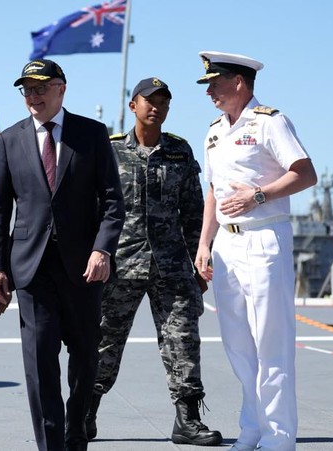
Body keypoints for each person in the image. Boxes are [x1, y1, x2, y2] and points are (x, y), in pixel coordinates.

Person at [0, 59, 125, 451]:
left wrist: (103, 249)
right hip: (32, 269)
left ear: (61, 89)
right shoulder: (9, 140)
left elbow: (114, 201)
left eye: (40, 88)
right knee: (39, 358)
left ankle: (76, 432)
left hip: (84, 269)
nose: (33, 96)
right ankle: (51, 444)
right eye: (26, 89)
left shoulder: (91, 134)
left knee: (84, 358)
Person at [193, 51, 317, 451]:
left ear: (239, 82)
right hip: (227, 244)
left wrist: (259, 195)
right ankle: (252, 429)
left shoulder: (270, 122)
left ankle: (280, 436)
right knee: (239, 345)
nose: (209, 90)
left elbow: (305, 172)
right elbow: (214, 190)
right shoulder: (214, 130)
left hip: (265, 238)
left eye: (215, 82)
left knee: (271, 341)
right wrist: (204, 243)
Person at [88, 77, 222, 446]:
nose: (156, 107)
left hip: (172, 265)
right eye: (149, 100)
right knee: (104, 341)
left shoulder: (179, 151)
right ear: (133, 106)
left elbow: (194, 210)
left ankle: (188, 420)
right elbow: (94, 209)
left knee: (183, 342)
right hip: (121, 264)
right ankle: (86, 413)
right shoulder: (110, 151)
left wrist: (200, 258)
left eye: (163, 101)